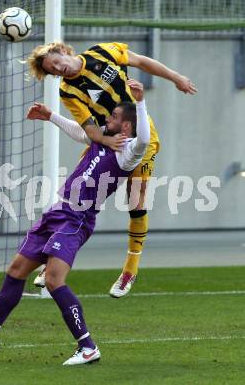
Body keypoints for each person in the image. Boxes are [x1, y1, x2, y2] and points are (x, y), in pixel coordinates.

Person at [0, 79, 150, 365]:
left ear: (125, 126)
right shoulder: (102, 138)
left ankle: (88, 347)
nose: (107, 119)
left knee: (52, 279)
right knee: (16, 270)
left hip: (77, 219)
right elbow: (78, 131)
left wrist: (140, 101)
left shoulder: (128, 152)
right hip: (56, 212)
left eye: (114, 117)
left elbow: (145, 140)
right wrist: (51, 116)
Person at [28, 41, 197, 297]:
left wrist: (175, 77)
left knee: (137, 200)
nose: (57, 70)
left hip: (140, 135)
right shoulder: (68, 91)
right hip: (108, 139)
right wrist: (105, 140)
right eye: (52, 71)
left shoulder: (102, 52)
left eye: (54, 63)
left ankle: (130, 269)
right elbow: (88, 128)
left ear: (62, 51)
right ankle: (54, 255)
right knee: (78, 197)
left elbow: (141, 61)